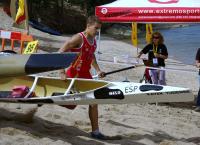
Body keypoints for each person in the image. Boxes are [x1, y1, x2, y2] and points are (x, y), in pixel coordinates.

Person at [58, 16, 106, 139]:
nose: (97, 31)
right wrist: (62, 72)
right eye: (96, 28)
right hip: (74, 74)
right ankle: (45, 100)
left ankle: (95, 132)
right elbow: (60, 52)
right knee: (69, 105)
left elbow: (92, 55)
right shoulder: (78, 38)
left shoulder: (94, 40)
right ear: (88, 25)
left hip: (86, 75)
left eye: (99, 29)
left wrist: (98, 70)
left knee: (93, 101)